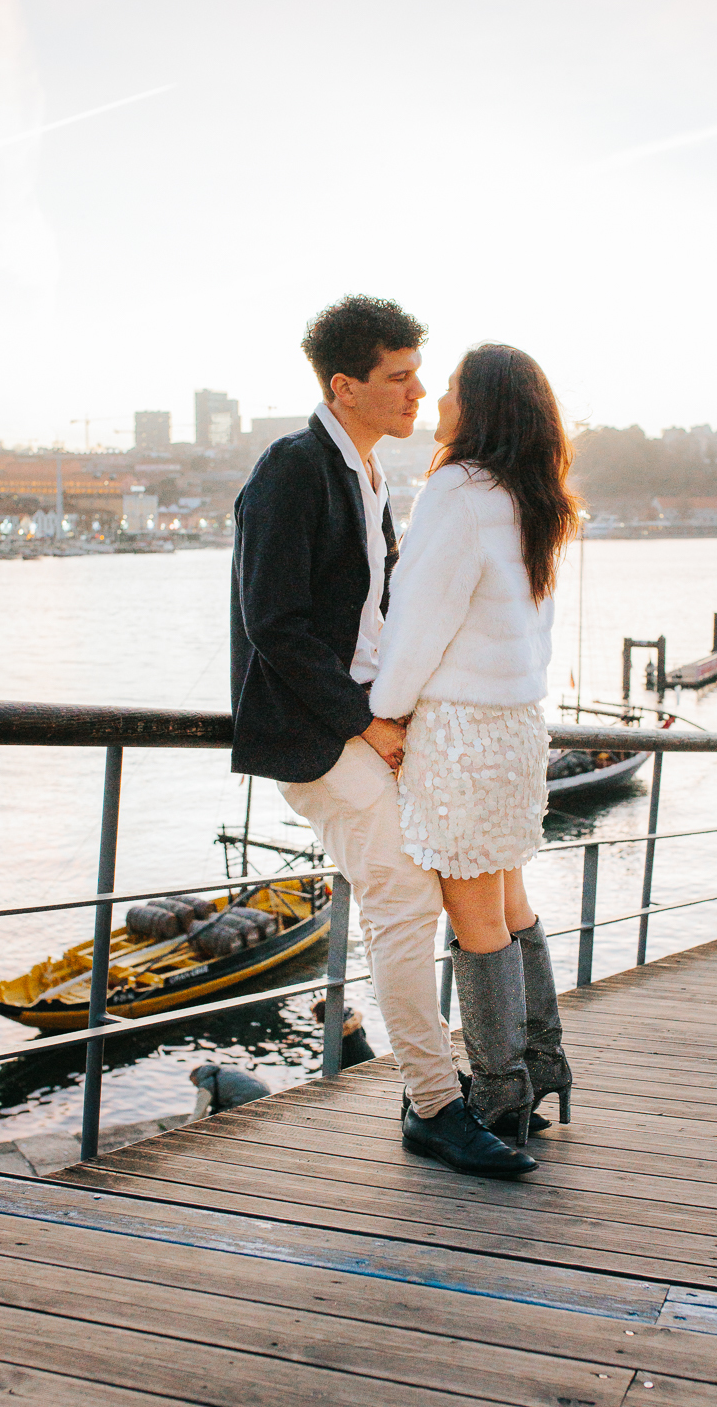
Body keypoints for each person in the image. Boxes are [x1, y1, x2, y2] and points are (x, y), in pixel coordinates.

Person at [231, 296, 534, 1178]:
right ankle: (436, 1107)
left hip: (366, 725)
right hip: (317, 734)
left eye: (417, 374)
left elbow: (383, 617)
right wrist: (367, 720)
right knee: (405, 896)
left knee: (424, 892)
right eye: (398, 377)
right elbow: (273, 625)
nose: (418, 392)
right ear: (345, 386)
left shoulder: (369, 475)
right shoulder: (290, 470)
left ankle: (445, 1091)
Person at [370, 344, 579, 1150]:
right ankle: (542, 1063)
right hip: (519, 726)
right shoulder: (537, 498)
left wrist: (385, 712)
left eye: (452, 387)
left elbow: (420, 621)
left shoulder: (457, 491)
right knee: (508, 899)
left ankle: (497, 1092)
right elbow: (539, 630)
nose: (439, 398)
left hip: (460, 729)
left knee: (472, 914)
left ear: (481, 407)